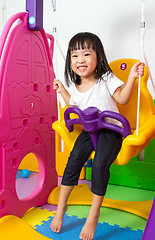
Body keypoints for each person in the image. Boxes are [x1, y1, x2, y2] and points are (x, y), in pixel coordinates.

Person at [50, 32, 144, 240]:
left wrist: (131, 78)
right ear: (70, 61)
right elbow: (73, 106)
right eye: (75, 55)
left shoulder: (106, 78)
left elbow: (123, 98)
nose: (80, 60)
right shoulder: (77, 86)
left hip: (111, 130)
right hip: (88, 130)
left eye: (86, 54)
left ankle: (94, 214)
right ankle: (61, 207)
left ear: (99, 57)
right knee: (73, 160)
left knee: (100, 164)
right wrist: (63, 90)